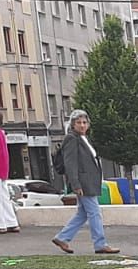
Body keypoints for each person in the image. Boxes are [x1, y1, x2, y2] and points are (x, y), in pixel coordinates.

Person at [50, 109, 120, 255]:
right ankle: (100, 244)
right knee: (95, 213)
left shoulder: (83, 138)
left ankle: (62, 237)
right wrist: (75, 184)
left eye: (84, 122)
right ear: (73, 124)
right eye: (78, 123)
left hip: (88, 182)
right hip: (83, 183)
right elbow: (70, 163)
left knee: (82, 213)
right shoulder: (72, 139)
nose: (82, 125)